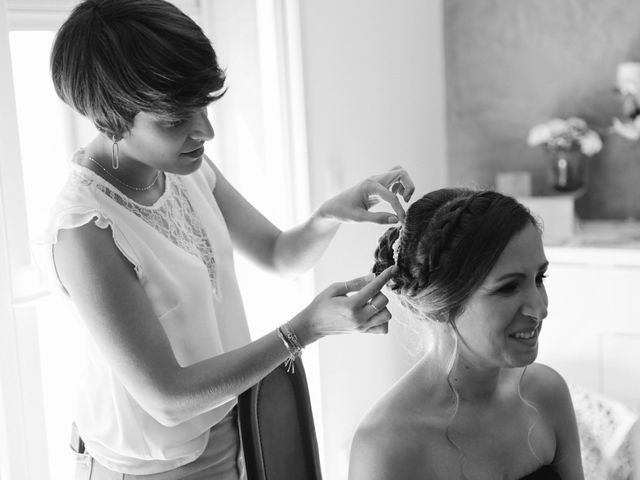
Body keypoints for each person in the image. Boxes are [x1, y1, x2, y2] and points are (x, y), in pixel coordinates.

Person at [41, 0, 415, 478]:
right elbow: (169, 399)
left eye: (202, 107)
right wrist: (307, 328)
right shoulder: (83, 230)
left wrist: (330, 214)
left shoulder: (182, 169)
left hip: (229, 428)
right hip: (147, 466)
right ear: (112, 118)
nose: (206, 131)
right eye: (176, 120)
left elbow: (278, 255)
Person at [348, 189, 584, 480]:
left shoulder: (547, 393)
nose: (540, 309)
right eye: (508, 288)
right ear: (438, 306)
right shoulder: (386, 447)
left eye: (539, 278)